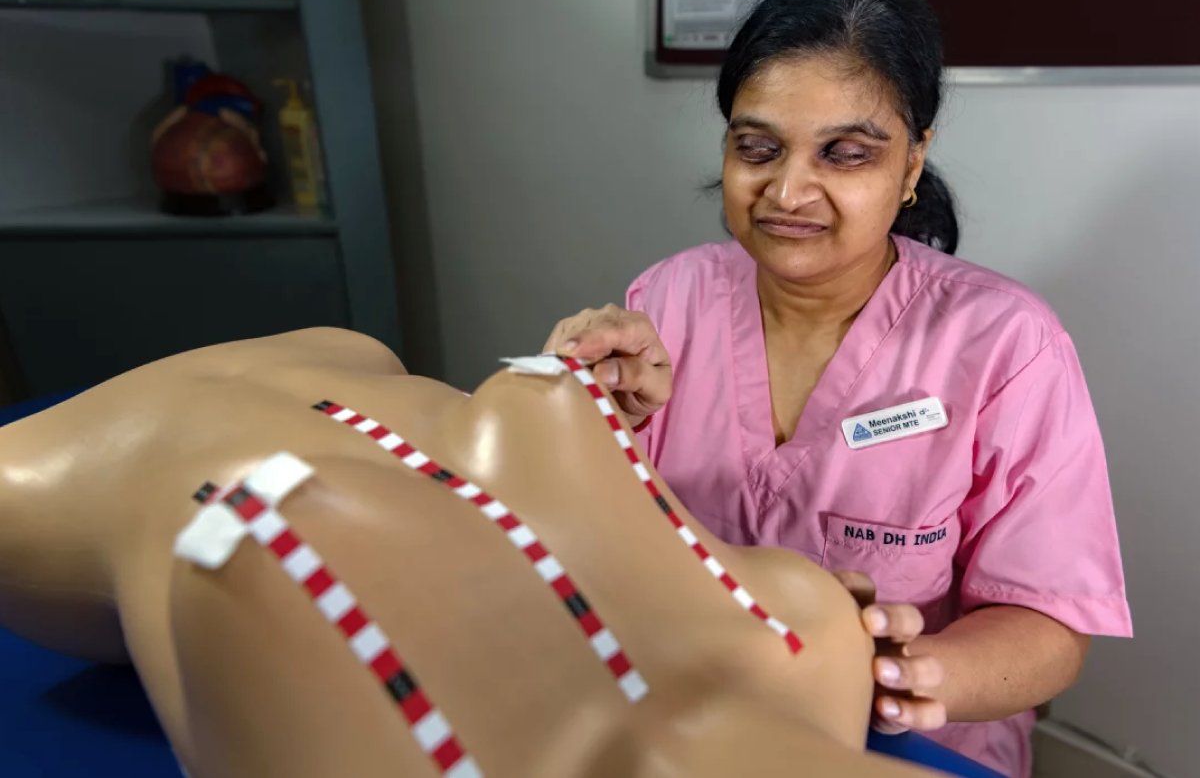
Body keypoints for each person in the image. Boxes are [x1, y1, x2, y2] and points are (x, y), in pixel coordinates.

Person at [543, 0, 1132, 775]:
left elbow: (1050, 624)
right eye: (756, 148)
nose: (787, 191)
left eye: (844, 154)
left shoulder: (1005, 345)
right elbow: (587, 542)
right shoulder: (668, 299)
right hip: (698, 718)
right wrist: (585, 410)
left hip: (902, 742)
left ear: (913, 161)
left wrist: (913, 675)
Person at [0, 328, 940, 777]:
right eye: (761, 147)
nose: (793, 188)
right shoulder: (805, 633)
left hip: (163, 462)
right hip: (349, 399)